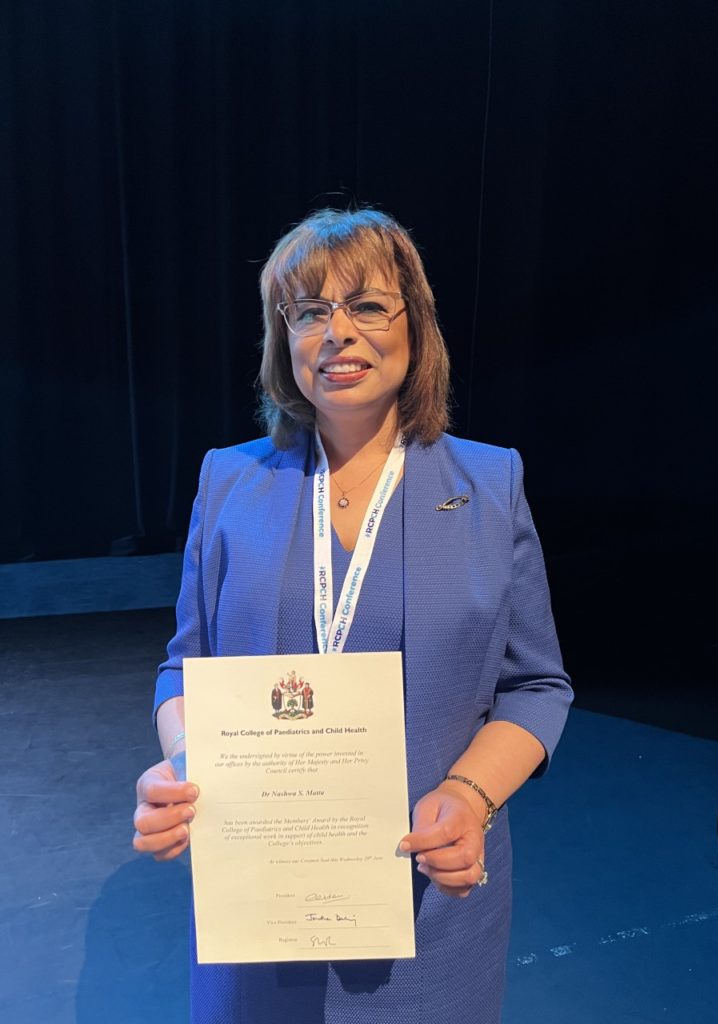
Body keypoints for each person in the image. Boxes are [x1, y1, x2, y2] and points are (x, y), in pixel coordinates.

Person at [133, 207, 573, 1023]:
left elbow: (536, 685)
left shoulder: (489, 483)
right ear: (284, 338)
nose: (339, 332)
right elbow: (181, 667)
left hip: (430, 904)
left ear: (416, 324)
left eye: (367, 305)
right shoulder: (227, 484)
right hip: (259, 902)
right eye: (309, 311)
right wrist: (190, 768)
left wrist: (471, 797)